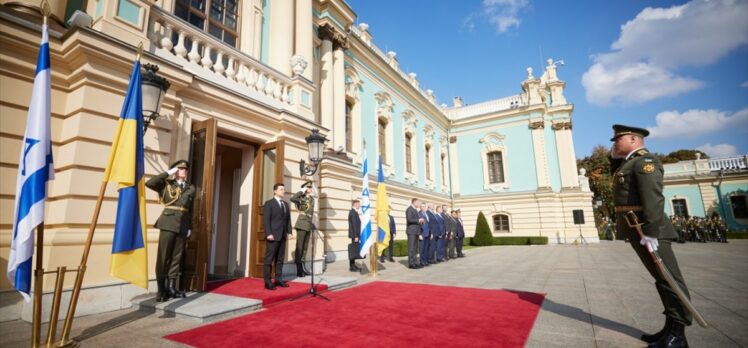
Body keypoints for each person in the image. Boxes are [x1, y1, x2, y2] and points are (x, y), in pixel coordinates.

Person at [609, 124, 692, 347]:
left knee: (670, 280)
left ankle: (678, 335)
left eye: (618, 139)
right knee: (661, 280)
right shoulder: (629, 162)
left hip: (649, 231)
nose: (614, 143)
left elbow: (653, 199)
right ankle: (669, 329)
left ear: (634, 139)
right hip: (639, 231)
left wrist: (651, 232)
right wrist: (614, 156)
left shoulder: (645, 162)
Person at [146, 160, 195, 302]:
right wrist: (169, 173)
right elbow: (150, 183)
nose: (184, 171)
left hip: (182, 225)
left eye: (185, 169)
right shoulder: (166, 184)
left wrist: (189, 227)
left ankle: (172, 288)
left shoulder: (191, 188)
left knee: (176, 258)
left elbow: (190, 210)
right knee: (163, 257)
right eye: (180, 169)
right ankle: (161, 290)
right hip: (167, 223)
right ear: (175, 171)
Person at [262, 183, 292, 290]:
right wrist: (268, 233)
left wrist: (289, 232)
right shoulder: (269, 203)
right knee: (269, 259)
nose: (283, 191)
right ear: (275, 191)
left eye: (284, 189)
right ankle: (267, 281)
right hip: (273, 236)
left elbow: (288, 220)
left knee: (280, 259)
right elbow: (266, 220)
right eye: (281, 189)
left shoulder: (286, 204)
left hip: (283, 236)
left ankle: (278, 279)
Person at [290, 180, 314, 277]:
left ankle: (303, 267)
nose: (310, 189)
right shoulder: (301, 197)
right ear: (305, 188)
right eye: (308, 187)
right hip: (301, 224)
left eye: (310, 187)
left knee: (305, 248)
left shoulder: (312, 199)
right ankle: (299, 269)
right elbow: (292, 198)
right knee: (299, 247)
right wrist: (301, 191)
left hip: (308, 224)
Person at [405, 198, 423, 269]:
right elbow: (409, 219)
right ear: (414, 202)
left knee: (415, 248)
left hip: (416, 231)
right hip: (411, 231)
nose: (419, 204)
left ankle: (415, 262)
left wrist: (420, 221)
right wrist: (418, 220)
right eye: (418, 203)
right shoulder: (409, 209)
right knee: (411, 248)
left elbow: (415, 220)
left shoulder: (416, 210)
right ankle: (411, 263)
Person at [348, 200, 362, 272]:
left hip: (355, 235)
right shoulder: (353, 213)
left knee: (354, 250)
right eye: (359, 204)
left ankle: (353, 266)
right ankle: (352, 267)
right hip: (354, 235)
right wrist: (356, 236)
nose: (359, 205)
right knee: (353, 251)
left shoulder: (354, 212)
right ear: (355, 204)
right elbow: (354, 225)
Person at [419, 203, 432, 267]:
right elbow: (418, 225)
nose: (423, 208)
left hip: (428, 233)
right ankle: (422, 261)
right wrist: (419, 234)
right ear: (420, 207)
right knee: (422, 248)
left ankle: (426, 261)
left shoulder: (426, 214)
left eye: (424, 207)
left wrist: (431, 233)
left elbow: (429, 224)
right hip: (422, 233)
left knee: (426, 248)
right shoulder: (419, 214)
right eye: (422, 207)